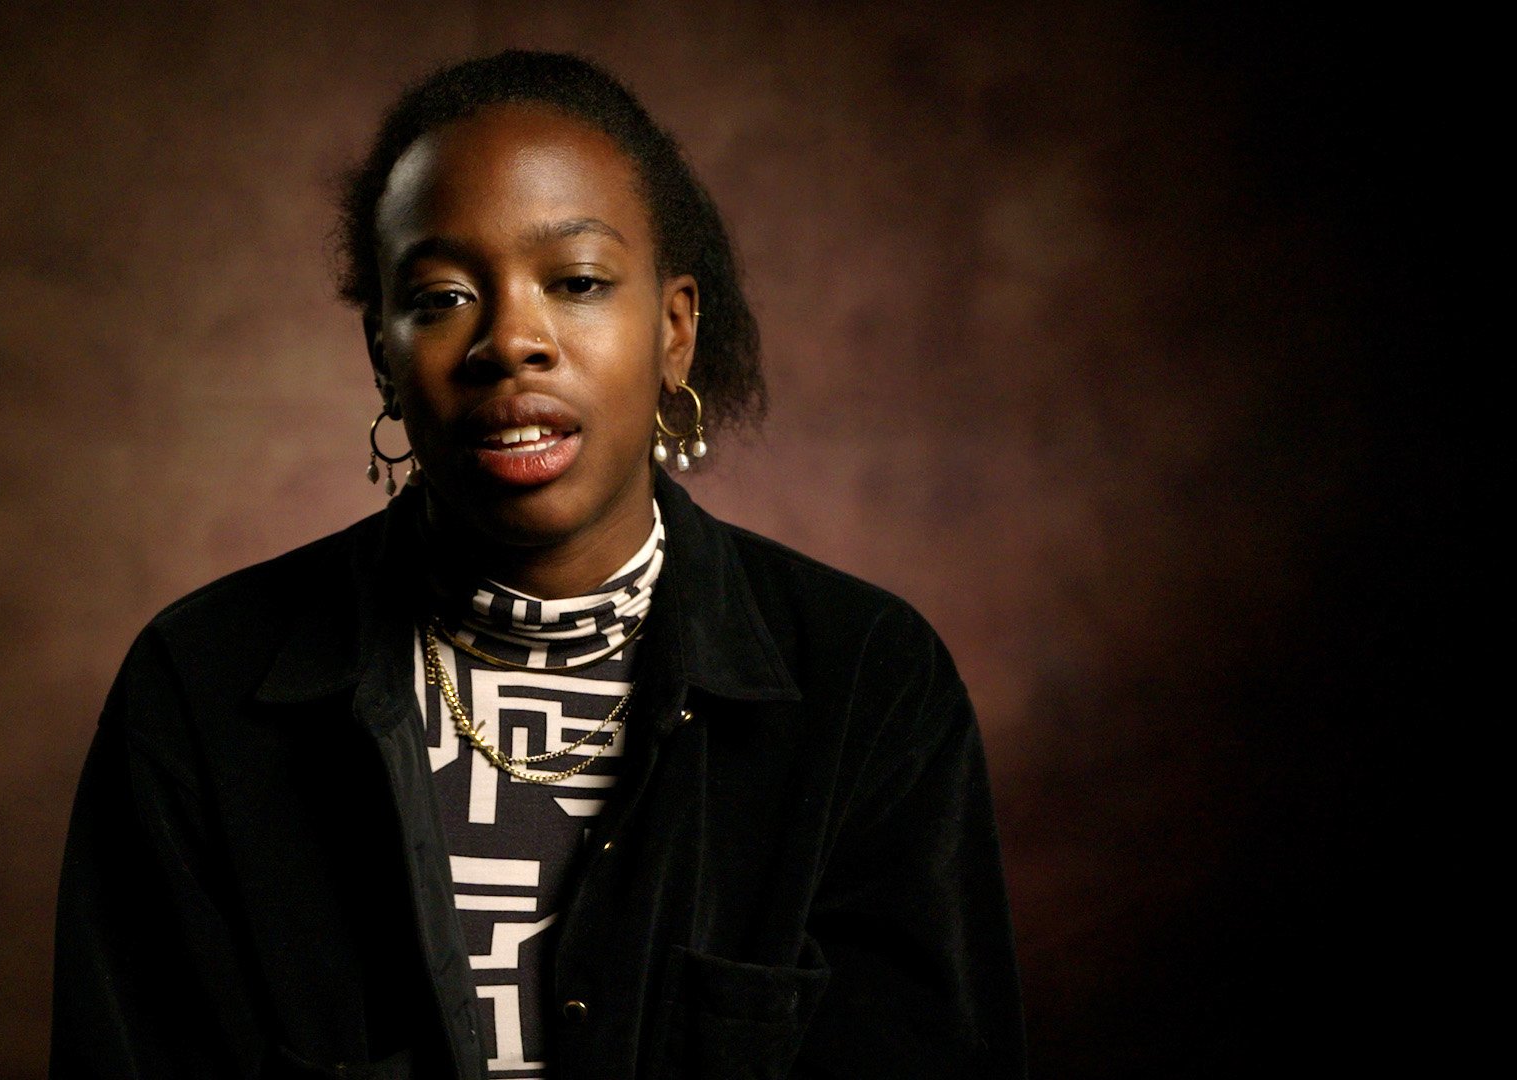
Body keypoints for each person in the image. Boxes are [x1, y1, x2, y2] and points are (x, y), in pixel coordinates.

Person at [51, 50, 1025, 1080]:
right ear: (381, 353)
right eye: (440, 297)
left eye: (578, 282)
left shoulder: (868, 680)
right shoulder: (200, 687)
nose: (511, 340)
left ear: (675, 331)